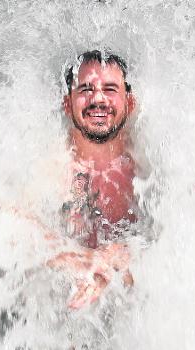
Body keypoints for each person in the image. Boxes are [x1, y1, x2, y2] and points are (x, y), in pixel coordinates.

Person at [46, 50, 138, 309]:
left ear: (129, 103)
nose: (98, 98)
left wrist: (125, 255)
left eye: (110, 89)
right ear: (67, 103)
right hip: (62, 308)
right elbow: (10, 221)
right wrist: (78, 258)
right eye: (85, 89)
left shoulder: (148, 163)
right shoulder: (53, 165)